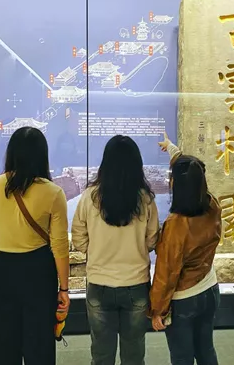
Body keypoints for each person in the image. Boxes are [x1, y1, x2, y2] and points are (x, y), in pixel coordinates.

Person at [0, 127, 70, 365]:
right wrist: (64, 288)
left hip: (3, 269)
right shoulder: (53, 193)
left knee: (4, 339)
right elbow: (59, 246)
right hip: (39, 270)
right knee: (39, 340)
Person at [71, 135, 159, 365]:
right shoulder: (145, 199)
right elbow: (152, 240)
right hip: (136, 283)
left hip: (99, 283)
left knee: (101, 353)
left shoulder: (90, 197)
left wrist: (95, 250)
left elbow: (78, 236)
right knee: (134, 354)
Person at [150, 133, 222, 365]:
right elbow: (192, 172)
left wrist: (158, 309)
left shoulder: (176, 224)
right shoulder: (211, 205)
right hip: (209, 289)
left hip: (184, 299)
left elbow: (167, 272)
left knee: (182, 357)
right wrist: (173, 150)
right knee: (206, 351)